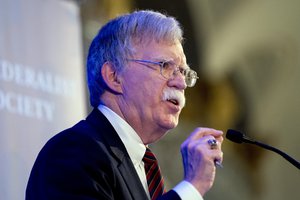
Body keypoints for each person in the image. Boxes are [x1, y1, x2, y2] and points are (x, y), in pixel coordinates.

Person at [26, 10, 223, 200]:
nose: (180, 83)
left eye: (183, 72)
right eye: (165, 66)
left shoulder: (143, 167)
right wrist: (193, 186)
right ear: (114, 77)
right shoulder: (73, 152)